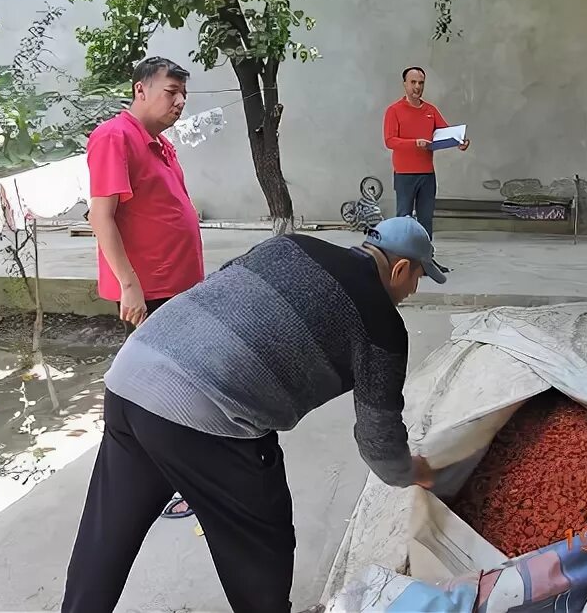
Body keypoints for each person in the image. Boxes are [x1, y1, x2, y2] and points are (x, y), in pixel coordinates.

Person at [61, 217, 445, 613]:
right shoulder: (381, 326)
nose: (413, 290)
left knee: (107, 532)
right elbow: (379, 445)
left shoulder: (290, 246)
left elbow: (226, 288)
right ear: (400, 268)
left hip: (132, 373)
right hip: (205, 414)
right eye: (418, 277)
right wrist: (416, 471)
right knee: (260, 545)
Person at [86, 55, 203, 519]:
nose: (178, 102)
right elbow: (101, 216)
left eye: (183, 96)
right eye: (170, 92)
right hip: (150, 293)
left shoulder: (158, 144)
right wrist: (129, 286)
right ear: (140, 90)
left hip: (178, 288)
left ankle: (170, 477)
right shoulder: (115, 138)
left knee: (180, 386)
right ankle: (166, 482)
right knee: (162, 392)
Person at [383, 66, 470, 271]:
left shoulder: (430, 110)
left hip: (427, 174)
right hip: (404, 174)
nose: (417, 87)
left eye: (421, 83)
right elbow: (390, 141)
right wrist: (415, 143)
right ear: (404, 84)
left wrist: (460, 142)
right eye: (413, 82)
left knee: (425, 219)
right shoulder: (394, 110)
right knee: (404, 218)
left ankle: (426, 261)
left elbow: (446, 133)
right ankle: (401, 262)